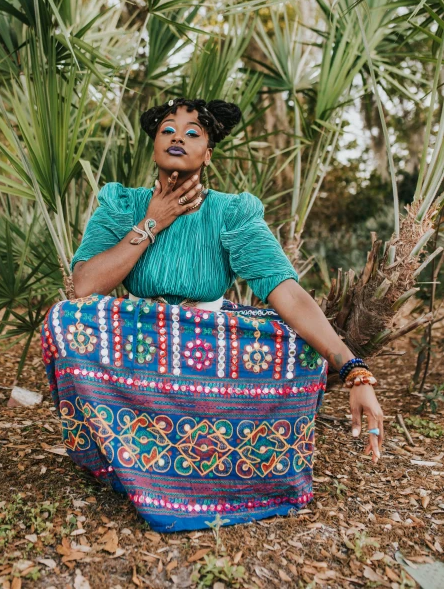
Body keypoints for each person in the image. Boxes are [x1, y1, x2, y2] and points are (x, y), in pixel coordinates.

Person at [41, 97, 383, 533]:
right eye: (167, 129)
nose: (177, 137)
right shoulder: (122, 203)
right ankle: (122, 459)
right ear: (153, 147)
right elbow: (85, 286)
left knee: (298, 344)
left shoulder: (230, 211)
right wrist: (152, 221)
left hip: (205, 338)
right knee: (64, 320)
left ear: (208, 153)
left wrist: (352, 368)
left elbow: (286, 291)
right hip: (138, 343)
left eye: (192, 132)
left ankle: (241, 471)